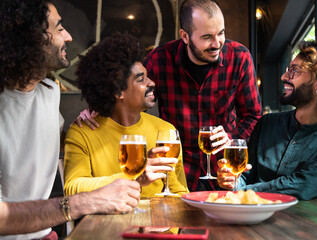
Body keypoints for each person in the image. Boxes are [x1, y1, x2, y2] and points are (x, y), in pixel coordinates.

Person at [73, 0, 261, 192]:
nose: (217, 43)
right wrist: (97, 107)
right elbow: (127, 89)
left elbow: (253, 116)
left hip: (224, 173)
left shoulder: (240, 57)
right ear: (185, 36)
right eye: (207, 37)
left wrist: (231, 138)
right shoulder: (159, 59)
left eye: (221, 33)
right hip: (178, 173)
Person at [0, 1, 140, 238]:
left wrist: (47, 230)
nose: (69, 36)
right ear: (29, 38)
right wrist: (82, 202)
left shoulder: (49, 92)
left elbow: (29, 155)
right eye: (59, 28)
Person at [217, 39, 317, 203]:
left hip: (309, 227)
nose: (284, 76)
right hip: (254, 221)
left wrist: (243, 191)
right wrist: (232, 181)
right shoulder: (267, 123)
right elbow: (245, 178)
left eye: (294, 71)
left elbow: (304, 185)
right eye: (288, 69)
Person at [64, 32, 189, 198]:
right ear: (118, 91)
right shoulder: (82, 133)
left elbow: (179, 192)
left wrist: (167, 225)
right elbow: (72, 188)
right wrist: (134, 177)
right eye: (141, 79)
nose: (151, 83)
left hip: (158, 222)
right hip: (109, 222)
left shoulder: (165, 131)